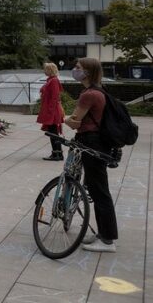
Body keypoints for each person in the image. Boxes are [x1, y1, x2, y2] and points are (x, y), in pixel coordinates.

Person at [64, 57, 118, 252]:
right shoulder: (99, 91)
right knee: (96, 188)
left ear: (87, 72)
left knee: (99, 190)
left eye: (78, 68)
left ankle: (107, 240)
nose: (74, 70)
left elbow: (74, 121)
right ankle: (103, 234)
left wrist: (63, 118)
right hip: (97, 143)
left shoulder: (88, 94)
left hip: (91, 143)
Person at [37, 62, 64, 160]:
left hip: (52, 111)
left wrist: (50, 112)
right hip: (51, 110)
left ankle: (57, 154)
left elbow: (54, 97)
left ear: (50, 70)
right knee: (53, 132)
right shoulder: (51, 80)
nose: (44, 71)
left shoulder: (53, 81)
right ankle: (57, 153)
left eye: (46, 69)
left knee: (53, 133)